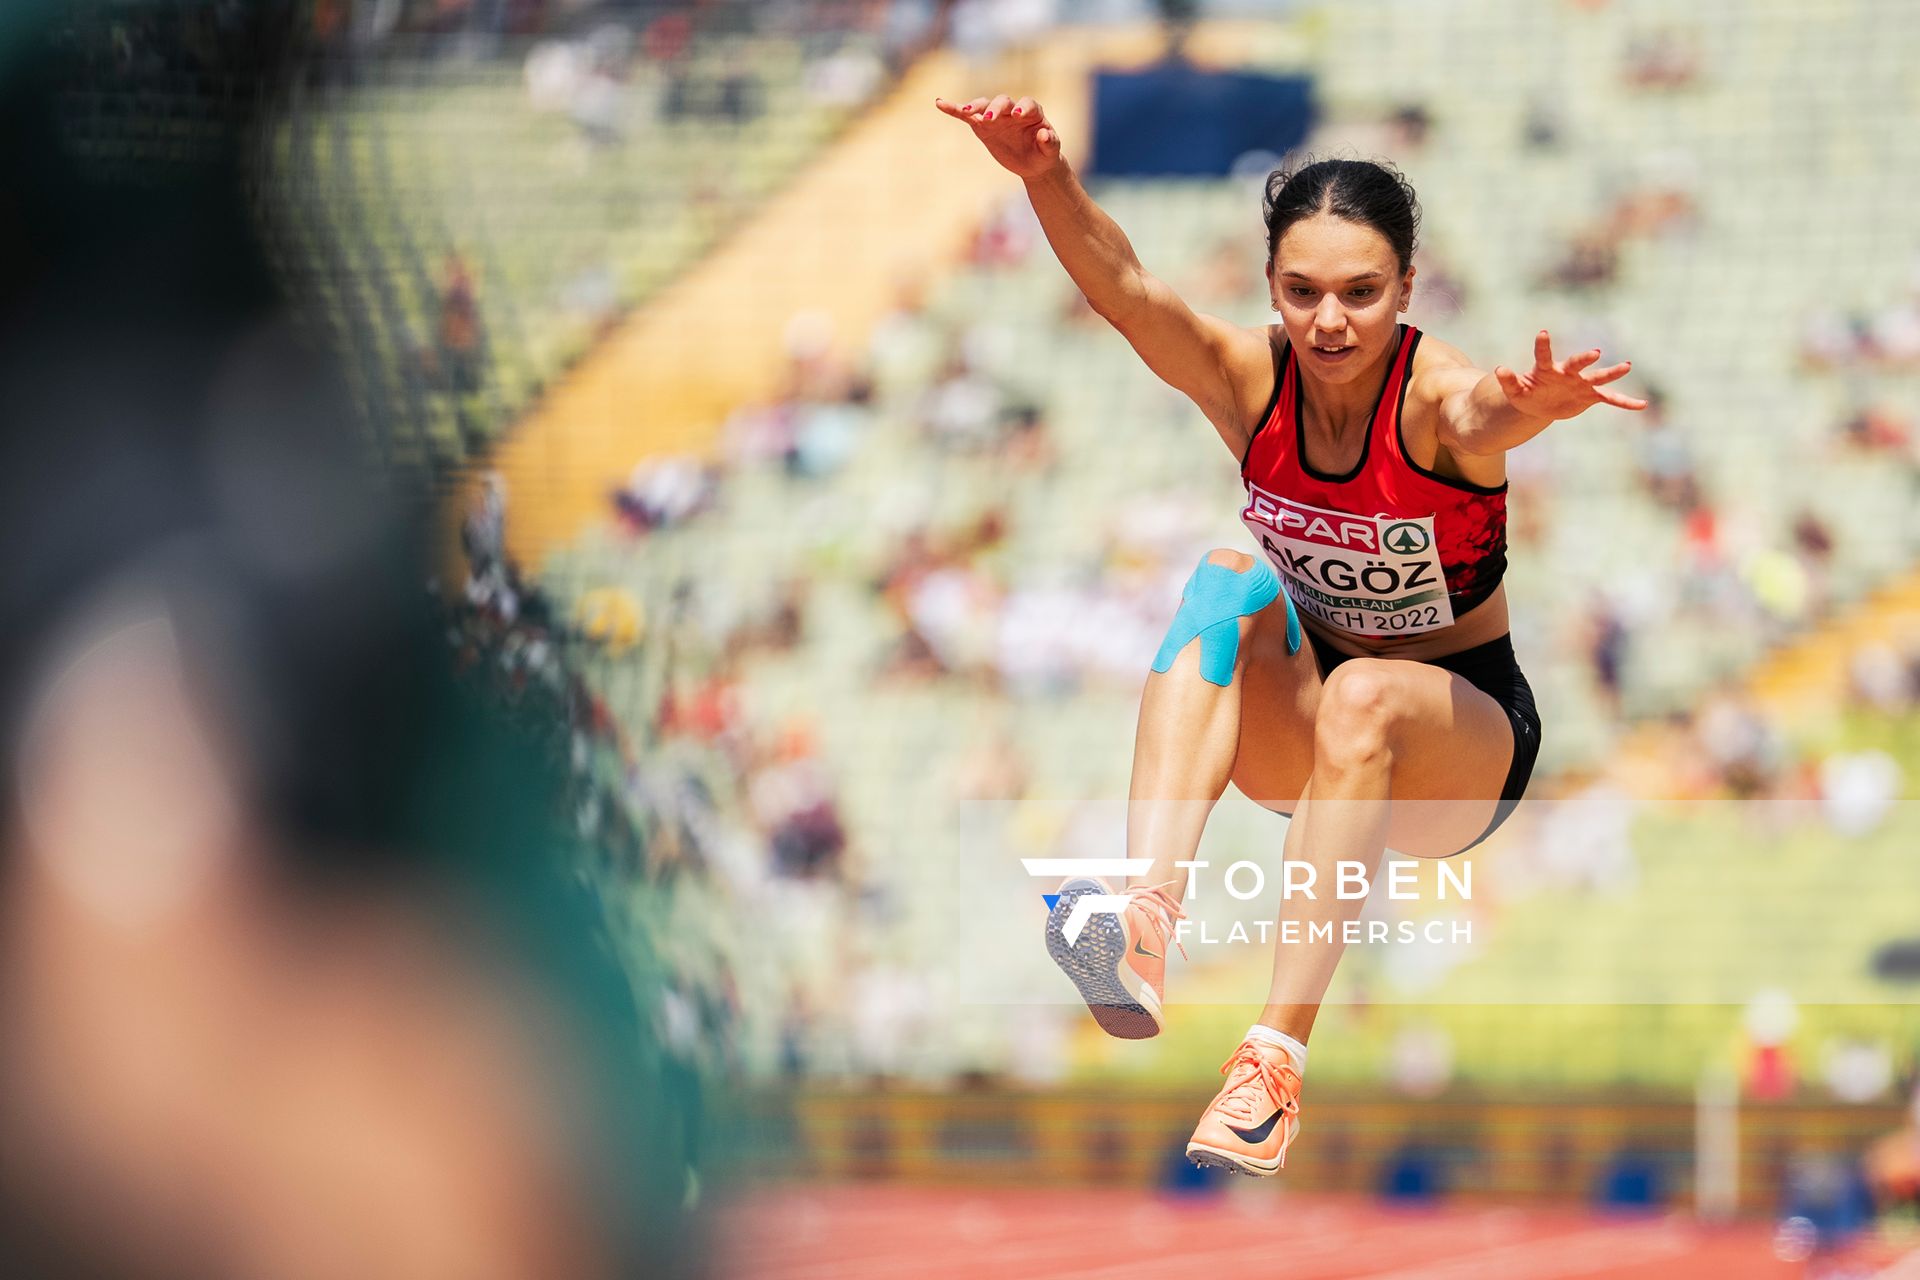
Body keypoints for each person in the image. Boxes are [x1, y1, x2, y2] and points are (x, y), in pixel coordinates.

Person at [936, 92, 1646, 1175]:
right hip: (1318, 745)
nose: (1330, 322)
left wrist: (1535, 408)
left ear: (1406, 289)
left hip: (1462, 747)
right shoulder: (1248, 385)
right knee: (1225, 579)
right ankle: (1143, 916)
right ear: (1271, 286)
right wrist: (1043, 176)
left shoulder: (1436, 398)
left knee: (1366, 694)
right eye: (1303, 292)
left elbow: (1480, 419)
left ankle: (1272, 1066)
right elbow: (1127, 294)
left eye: (1362, 294)